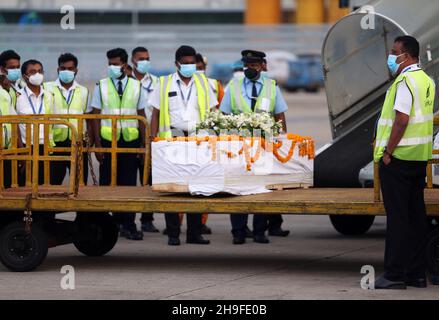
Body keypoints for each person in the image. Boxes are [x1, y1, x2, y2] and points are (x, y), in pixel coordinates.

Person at [374, 36, 436, 289]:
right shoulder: (427, 80)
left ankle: (394, 275)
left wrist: (388, 151)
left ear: (407, 56)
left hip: (398, 159)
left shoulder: (404, 81)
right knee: (415, 217)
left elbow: (401, 119)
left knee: (398, 220)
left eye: (394, 52)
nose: (391, 57)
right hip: (419, 158)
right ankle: (416, 274)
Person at [149, 45, 217, 246]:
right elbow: (155, 114)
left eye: (192, 63)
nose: (189, 66)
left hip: (198, 142)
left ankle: (194, 233)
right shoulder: (164, 83)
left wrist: (213, 139)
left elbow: (213, 112)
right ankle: (173, 234)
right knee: (172, 188)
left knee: (196, 188)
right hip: (172, 141)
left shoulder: (204, 83)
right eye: (185, 63)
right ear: (176, 64)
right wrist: (153, 139)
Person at [220, 49, 289, 245]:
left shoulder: (272, 87)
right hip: (239, 147)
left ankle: (260, 231)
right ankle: (238, 232)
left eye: (254, 65)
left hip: (264, 147)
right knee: (237, 190)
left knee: (261, 189)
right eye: (247, 65)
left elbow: (280, 116)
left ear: (262, 66)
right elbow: (224, 114)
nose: (250, 68)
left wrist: (282, 141)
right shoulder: (233, 86)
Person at [90, 48, 147, 241]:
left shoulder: (136, 85)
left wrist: (143, 144)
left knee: (129, 183)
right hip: (107, 140)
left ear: (124, 64)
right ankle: (109, 225)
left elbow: (141, 115)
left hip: (130, 140)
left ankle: (128, 224)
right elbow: (95, 115)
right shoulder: (101, 85)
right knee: (107, 183)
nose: (112, 67)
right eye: (110, 64)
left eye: (115, 64)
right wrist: (97, 144)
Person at [44, 53, 90, 186]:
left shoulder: (84, 91)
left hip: (77, 143)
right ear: (58, 70)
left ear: (76, 70)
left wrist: (90, 140)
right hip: (54, 143)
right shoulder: (47, 88)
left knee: (79, 184)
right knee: (52, 183)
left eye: (70, 69)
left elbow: (88, 117)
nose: (67, 71)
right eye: (63, 68)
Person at [130, 46, 159, 233]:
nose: (144, 62)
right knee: (131, 180)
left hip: (151, 134)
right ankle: (127, 220)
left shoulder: (156, 81)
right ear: (133, 61)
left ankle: (147, 219)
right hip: (131, 135)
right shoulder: (126, 82)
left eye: (147, 58)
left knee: (149, 179)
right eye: (141, 59)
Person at [16, 59, 54, 186]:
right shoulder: (18, 96)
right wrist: (21, 151)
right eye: (32, 72)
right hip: (26, 147)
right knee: (24, 186)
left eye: (39, 71)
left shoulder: (49, 95)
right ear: (24, 76)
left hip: (46, 147)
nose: (37, 75)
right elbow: (14, 125)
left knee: (45, 186)